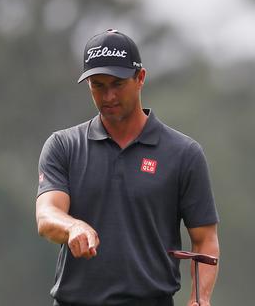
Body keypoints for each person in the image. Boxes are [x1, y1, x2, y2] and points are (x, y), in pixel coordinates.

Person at [36, 28, 220, 306]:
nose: (108, 96)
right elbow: (47, 215)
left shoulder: (183, 154)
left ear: (140, 78)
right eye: (98, 85)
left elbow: (204, 239)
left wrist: (199, 299)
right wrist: (73, 227)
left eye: (117, 84)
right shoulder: (64, 146)